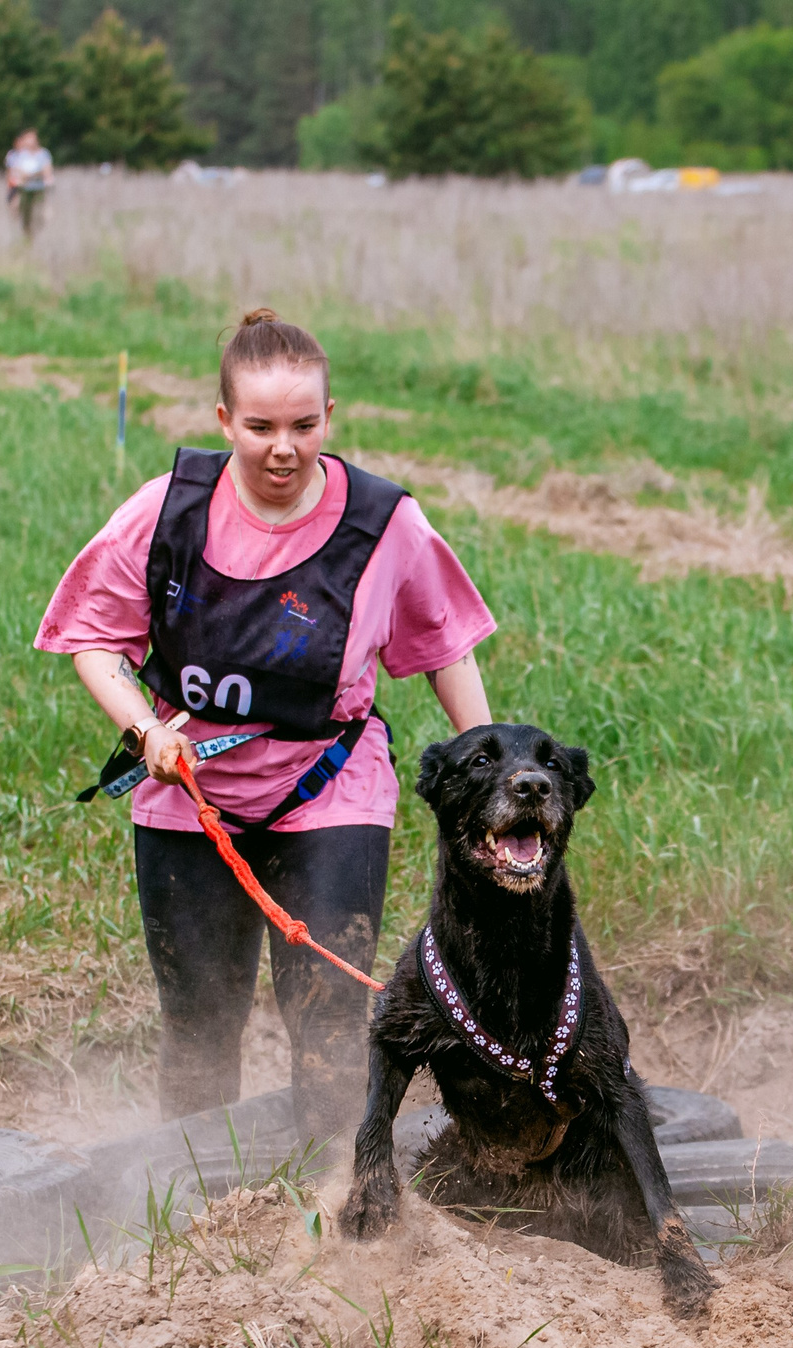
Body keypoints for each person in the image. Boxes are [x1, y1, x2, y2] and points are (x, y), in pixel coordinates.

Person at [36, 309, 496, 1141]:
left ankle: (332, 1211)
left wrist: (489, 774)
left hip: (330, 793)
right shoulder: (164, 513)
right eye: (259, 427)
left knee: (330, 1030)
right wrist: (147, 731)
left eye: (303, 424)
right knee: (199, 1028)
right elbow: (94, 640)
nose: (283, 447)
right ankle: (195, 1213)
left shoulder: (385, 524)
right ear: (223, 421)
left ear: (330, 417)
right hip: (190, 799)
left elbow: (446, 648)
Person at [4, 129, 53, 238]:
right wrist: (33, 174)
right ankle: (27, 237)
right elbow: (17, 173)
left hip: (39, 190)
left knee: (39, 215)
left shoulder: (43, 154)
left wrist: (30, 175)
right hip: (24, 190)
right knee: (24, 216)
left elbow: (47, 172)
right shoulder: (20, 155)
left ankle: (38, 236)